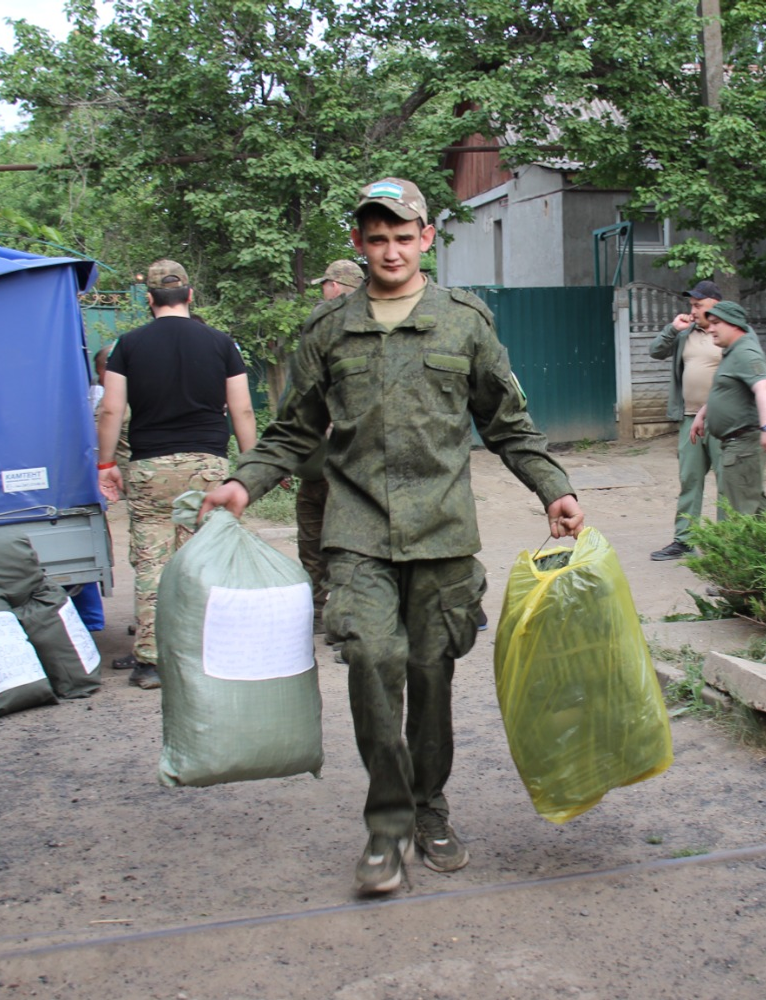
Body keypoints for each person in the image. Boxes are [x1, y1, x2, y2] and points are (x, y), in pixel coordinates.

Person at [200, 177, 584, 896]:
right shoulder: (329, 331)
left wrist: (554, 488)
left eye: (403, 237)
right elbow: (291, 433)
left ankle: (430, 809)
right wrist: (243, 482)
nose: (390, 251)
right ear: (358, 243)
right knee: (373, 664)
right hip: (357, 533)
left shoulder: (464, 322)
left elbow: (507, 423)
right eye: (376, 238)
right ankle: (386, 825)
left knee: (432, 679)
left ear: (426, 240)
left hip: (441, 534)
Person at [95, 260, 258, 690]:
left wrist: (106, 463)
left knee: (153, 562)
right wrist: (252, 467)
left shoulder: (126, 346)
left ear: (149, 300)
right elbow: (241, 409)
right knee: (203, 558)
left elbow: (112, 409)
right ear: (189, 296)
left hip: (150, 466)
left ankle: (151, 662)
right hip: (208, 467)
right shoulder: (222, 344)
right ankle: (206, 653)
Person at [295, 260, 365, 633]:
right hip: (321, 464)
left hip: (339, 464)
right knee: (325, 542)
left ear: (336, 287)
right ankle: (328, 617)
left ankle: (337, 620)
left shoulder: (347, 332)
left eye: (326, 285)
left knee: (334, 544)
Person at [647, 279, 724, 560]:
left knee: (726, 482)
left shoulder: (729, 334)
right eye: (691, 304)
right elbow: (655, 351)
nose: (692, 310)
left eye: (698, 305)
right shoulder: (685, 332)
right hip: (690, 419)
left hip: (724, 420)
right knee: (689, 480)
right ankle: (684, 540)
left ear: (716, 306)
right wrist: (673, 328)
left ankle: (727, 544)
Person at [689, 300, 766, 515]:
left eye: (716, 323)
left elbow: (764, 388)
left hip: (744, 445)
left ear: (734, 324)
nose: (710, 329)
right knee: (754, 506)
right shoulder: (732, 351)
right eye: (709, 323)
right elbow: (727, 390)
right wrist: (702, 414)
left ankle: (762, 547)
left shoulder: (746, 353)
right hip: (737, 444)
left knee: (742, 511)